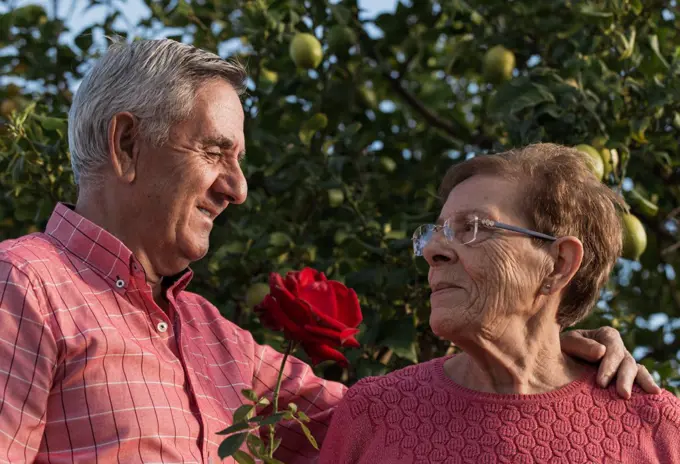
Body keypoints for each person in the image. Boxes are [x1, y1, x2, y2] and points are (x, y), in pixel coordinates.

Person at [0, 40, 658, 464]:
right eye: (215, 151)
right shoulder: (25, 286)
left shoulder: (211, 340)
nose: (238, 186)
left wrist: (549, 355)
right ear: (125, 144)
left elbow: (394, 420)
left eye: (240, 159)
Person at [318, 143, 680, 464]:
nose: (431, 251)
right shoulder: (375, 413)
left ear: (558, 264)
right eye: (437, 232)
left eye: (474, 227)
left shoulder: (660, 430)